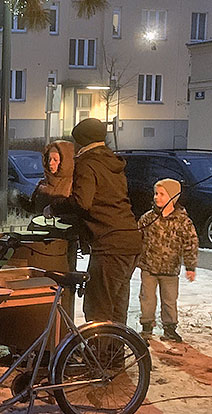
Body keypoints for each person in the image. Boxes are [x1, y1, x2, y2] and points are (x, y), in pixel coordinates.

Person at [44, 118, 142, 325]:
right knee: (116, 309)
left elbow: (83, 202)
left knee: (98, 309)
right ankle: (114, 356)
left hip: (109, 244)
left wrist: (55, 206)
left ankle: (99, 356)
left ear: (82, 141)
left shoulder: (88, 163)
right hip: (130, 240)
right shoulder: (112, 162)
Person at [137, 178, 199, 342]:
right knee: (147, 299)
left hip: (170, 270)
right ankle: (147, 326)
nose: (157, 197)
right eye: (156, 193)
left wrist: (190, 266)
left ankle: (170, 328)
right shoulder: (147, 218)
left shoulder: (182, 221)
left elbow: (190, 244)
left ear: (173, 197)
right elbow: (137, 239)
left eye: (162, 194)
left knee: (169, 300)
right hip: (149, 268)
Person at [27, 141, 75, 214]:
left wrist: (53, 209)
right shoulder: (43, 183)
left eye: (55, 160)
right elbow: (33, 208)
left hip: (61, 224)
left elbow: (75, 207)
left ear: (64, 162)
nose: (51, 163)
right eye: (49, 159)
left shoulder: (73, 184)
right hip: (41, 224)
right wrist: (19, 199)